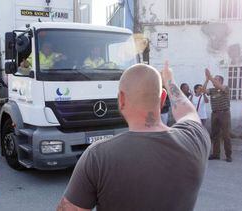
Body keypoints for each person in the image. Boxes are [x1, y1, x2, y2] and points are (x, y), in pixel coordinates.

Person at [57, 62, 210, 211]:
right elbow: (189, 113)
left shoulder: (97, 156)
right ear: (163, 98)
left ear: (121, 99)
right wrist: (169, 80)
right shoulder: (194, 139)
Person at [203, 68, 232, 162]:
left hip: (224, 113)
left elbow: (220, 87)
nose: (214, 81)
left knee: (226, 135)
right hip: (214, 114)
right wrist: (207, 80)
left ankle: (228, 155)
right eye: (214, 79)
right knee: (215, 135)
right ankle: (216, 154)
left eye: (216, 79)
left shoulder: (225, 88)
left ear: (221, 81)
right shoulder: (212, 90)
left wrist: (210, 76)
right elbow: (203, 90)